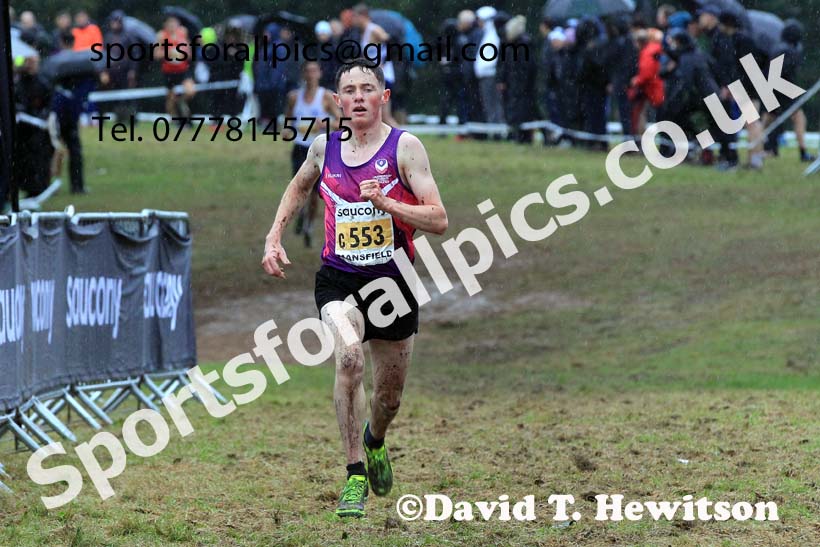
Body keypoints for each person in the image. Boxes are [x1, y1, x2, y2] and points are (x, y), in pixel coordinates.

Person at [261, 58, 448, 518]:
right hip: (338, 278)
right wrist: (274, 235)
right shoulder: (325, 148)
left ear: (384, 98)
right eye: (350, 90)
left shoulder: (406, 149)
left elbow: (439, 219)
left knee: (390, 398)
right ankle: (354, 475)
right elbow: (298, 187)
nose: (359, 96)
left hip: (393, 282)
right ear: (338, 101)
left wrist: (386, 202)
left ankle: (375, 441)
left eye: (368, 89)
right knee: (347, 356)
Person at [286, 61, 342, 247]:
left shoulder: (325, 97)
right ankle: (301, 215)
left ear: (319, 73)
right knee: (301, 188)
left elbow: (341, 122)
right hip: (300, 148)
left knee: (316, 193)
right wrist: (287, 131)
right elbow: (287, 123)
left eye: (314, 71)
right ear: (303, 74)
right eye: (307, 71)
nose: (310, 74)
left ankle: (308, 225)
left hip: (320, 150)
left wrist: (324, 125)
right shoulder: (294, 97)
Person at [352, 4, 398, 127]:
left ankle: (405, 143)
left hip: (383, 76)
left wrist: (384, 63)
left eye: (355, 17)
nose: (353, 20)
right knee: (378, 116)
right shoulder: (363, 32)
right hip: (374, 76)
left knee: (385, 117)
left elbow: (393, 43)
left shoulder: (374, 30)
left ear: (363, 16)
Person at [155, 16, 195, 124]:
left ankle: (181, 102)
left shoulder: (183, 33)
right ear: (166, 26)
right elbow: (156, 55)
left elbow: (190, 55)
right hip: (168, 72)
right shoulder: (161, 36)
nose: (172, 27)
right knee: (170, 99)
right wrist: (169, 53)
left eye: (174, 25)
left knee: (190, 91)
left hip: (183, 70)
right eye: (170, 25)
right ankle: (175, 120)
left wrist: (181, 53)